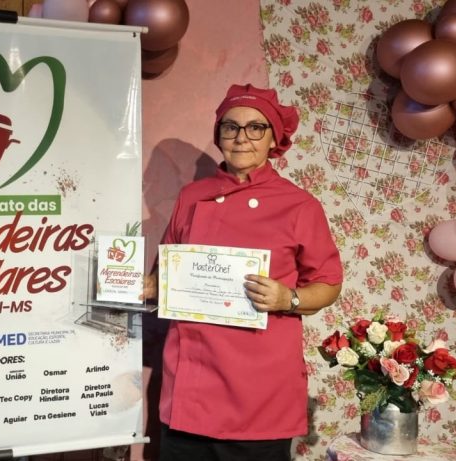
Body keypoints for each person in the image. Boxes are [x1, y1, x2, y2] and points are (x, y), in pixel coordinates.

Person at [143, 83, 344, 461]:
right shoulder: (192, 196)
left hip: (258, 389)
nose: (241, 137)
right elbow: (172, 272)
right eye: (230, 127)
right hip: (191, 382)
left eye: (256, 128)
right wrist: (149, 285)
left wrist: (290, 298)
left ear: (274, 139)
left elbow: (328, 284)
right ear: (219, 134)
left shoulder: (299, 205)